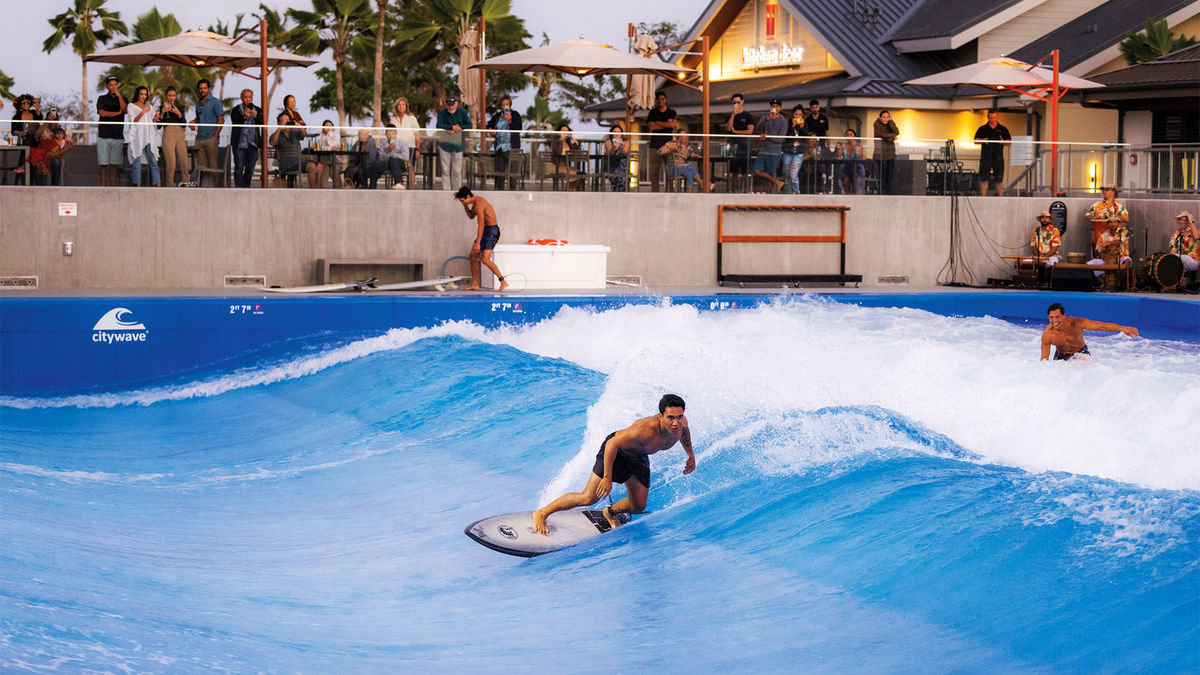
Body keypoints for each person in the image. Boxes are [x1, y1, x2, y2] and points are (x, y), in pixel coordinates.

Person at [531, 394, 696, 535]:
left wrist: (690, 456)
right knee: (589, 497)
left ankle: (610, 512)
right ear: (660, 416)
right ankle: (542, 513)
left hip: (638, 458)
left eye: (679, 417)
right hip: (616, 453)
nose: (676, 422)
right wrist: (607, 478)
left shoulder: (682, 425)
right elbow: (612, 444)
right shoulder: (644, 430)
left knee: (638, 506)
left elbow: (684, 433)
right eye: (670, 417)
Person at [1040, 302, 1138, 361]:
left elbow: (1101, 326)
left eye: (1057, 317)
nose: (1054, 321)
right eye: (1051, 317)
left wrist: (1122, 328)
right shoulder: (1048, 335)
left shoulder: (1077, 323)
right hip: (1061, 356)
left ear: (1064, 315)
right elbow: (1044, 359)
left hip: (1081, 353)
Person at [454, 187, 508, 292]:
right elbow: (471, 216)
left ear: (468, 196)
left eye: (462, 200)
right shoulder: (474, 205)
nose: (462, 202)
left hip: (491, 231)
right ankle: (475, 284)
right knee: (472, 256)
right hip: (486, 231)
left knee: (485, 259)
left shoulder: (479, 203)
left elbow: (481, 224)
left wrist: (478, 243)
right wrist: (465, 207)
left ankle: (502, 281)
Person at [270, 111, 322, 188]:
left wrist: (300, 128)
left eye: (288, 120)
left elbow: (303, 135)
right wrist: (279, 129)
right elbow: (272, 143)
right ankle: (313, 190)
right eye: (284, 120)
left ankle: (316, 189)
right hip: (286, 164)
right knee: (312, 166)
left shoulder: (294, 132)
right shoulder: (277, 135)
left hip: (298, 161)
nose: (287, 122)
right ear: (279, 123)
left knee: (320, 166)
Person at [486, 94, 523, 190]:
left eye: (507, 104)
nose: (505, 106)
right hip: (500, 148)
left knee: (513, 174)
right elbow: (488, 125)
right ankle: (499, 192)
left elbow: (518, 129)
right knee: (499, 174)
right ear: (501, 106)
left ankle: (513, 193)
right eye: (503, 104)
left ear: (510, 105)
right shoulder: (497, 116)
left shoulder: (515, 115)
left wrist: (510, 121)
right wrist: (491, 130)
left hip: (512, 148)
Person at [125, 85, 160, 187]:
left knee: (153, 160)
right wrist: (142, 112)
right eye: (141, 94)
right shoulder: (131, 106)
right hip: (137, 137)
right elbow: (133, 121)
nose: (143, 96)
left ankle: (158, 184)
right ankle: (137, 185)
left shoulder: (149, 107)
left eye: (145, 94)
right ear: (137, 94)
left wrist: (156, 117)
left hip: (148, 137)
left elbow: (152, 121)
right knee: (137, 160)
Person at [28, 108, 73, 186]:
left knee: (56, 161)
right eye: (50, 117)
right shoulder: (43, 128)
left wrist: (55, 154)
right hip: (42, 154)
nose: (53, 119)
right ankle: (39, 188)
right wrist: (47, 122)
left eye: (55, 118)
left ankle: (54, 187)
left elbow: (69, 144)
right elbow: (37, 135)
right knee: (36, 163)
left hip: (55, 155)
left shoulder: (62, 129)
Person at [190, 79, 225, 178]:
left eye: (205, 88)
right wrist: (194, 121)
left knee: (213, 166)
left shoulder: (215, 102)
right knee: (201, 167)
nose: (203, 90)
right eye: (201, 88)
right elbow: (198, 118)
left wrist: (215, 136)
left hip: (211, 138)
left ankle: (214, 190)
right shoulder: (198, 104)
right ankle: (203, 188)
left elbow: (221, 120)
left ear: (209, 89)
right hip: (199, 138)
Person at [751, 98, 787, 192]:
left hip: (774, 150)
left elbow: (781, 138)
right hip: (763, 148)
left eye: (776, 106)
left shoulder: (783, 121)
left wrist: (767, 137)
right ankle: (778, 182)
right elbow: (757, 129)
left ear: (780, 108)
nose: (774, 108)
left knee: (770, 173)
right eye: (772, 106)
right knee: (757, 170)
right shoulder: (765, 117)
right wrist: (766, 120)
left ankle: (770, 193)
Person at [95, 77, 126, 187]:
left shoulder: (122, 98)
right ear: (107, 86)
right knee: (103, 164)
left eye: (115, 84)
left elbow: (125, 110)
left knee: (114, 165)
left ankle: (113, 187)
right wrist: (118, 113)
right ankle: (103, 187)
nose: (113, 87)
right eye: (111, 85)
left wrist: (119, 96)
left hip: (117, 136)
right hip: (104, 135)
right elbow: (102, 113)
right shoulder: (102, 98)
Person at [436, 95, 471, 190]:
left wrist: (458, 128)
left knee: (457, 171)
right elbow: (438, 125)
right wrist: (451, 127)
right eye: (448, 105)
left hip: (458, 146)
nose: (450, 107)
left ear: (457, 103)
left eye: (452, 104)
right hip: (445, 146)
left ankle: (457, 191)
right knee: (445, 170)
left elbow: (469, 125)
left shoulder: (463, 112)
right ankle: (446, 191)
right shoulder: (442, 113)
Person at [1086, 214, 1131, 288]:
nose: (1112, 224)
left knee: (1127, 261)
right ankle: (1104, 283)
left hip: (1121, 256)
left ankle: (1118, 282)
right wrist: (1102, 250)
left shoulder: (1124, 232)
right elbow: (1098, 248)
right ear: (1107, 224)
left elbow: (1120, 241)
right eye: (1110, 222)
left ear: (1118, 223)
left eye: (1115, 222)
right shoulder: (1103, 235)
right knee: (1090, 264)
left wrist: (1108, 243)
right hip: (1107, 258)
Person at [645, 90, 678, 192]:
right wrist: (665, 123)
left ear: (666, 100)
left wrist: (658, 122)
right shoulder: (652, 112)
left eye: (662, 99)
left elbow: (672, 125)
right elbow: (651, 126)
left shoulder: (671, 112)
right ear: (656, 101)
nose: (660, 101)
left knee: (669, 170)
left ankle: (670, 192)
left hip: (668, 145)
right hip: (655, 145)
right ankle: (655, 193)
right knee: (654, 171)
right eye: (658, 99)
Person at [973, 109, 1011, 196]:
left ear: (997, 117)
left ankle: (1000, 197)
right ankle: (983, 197)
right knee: (983, 178)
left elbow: (1009, 142)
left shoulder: (1003, 129)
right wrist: (984, 140)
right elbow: (975, 141)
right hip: (986, 156)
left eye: (994, 118)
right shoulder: (982, 129)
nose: (992, 120)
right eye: (990, 118)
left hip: (998, 157)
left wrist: (1002, 141)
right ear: (988, 117)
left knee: (999, 178)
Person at [156, 86, 189, 187]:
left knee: (184, 160)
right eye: (169, 95)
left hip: (179, 133)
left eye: (173, 96)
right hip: (168, 133)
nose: (171, 98)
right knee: (171, 161)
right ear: (166, 96)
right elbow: (158, 126)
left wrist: (179, 114)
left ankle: (185, 183)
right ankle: (169, 185)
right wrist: (162, 113)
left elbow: (184, 124)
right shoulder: (161, 107)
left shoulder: (180, 107)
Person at [229, 89, 261, 189]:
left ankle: (246, 188)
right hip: (239, 143)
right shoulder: (236, 109)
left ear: (252, 98)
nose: (248, 99)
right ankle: (239, 189)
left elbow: (263, 122)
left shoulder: (257, 109)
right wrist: (244, 117)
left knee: (250, 168)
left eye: (249, 97)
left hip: (253, 143)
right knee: (238, 167)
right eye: (245, 97)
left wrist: (256, 117)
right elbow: (235, 120)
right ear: (241, 98)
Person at [725, 93, 755, 192]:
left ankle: (745, 190)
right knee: (733, 171)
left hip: (744, 146)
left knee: (745, 172)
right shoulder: (729, 116)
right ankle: (733, 190)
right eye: (734, 102)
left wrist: (736, 132)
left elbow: (750, 131)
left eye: (738, 102)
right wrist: (733, 115)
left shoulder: (748, 116)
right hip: (731, 146)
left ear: (742, 102)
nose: (736, 104)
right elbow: (728, 128)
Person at [1085, 185, 1128, 249]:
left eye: (1107, 189)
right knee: (1099, 257)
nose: (1104, 191)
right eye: (1103, 189)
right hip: (1099, 238)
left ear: (1113, 192)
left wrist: (1113, 214)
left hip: (1114, 240)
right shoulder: (1097, 205)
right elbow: (1087, 216)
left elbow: (1126, 219)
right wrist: (1094, 217)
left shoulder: (1119, 206)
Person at [781, 105, 809, 194]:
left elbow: (805, 136)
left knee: (793, 174)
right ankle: (789, 193)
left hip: (799, 152)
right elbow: (787, 137)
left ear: (802, 116)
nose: (797, 116)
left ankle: (797, 191)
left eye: (800, 115)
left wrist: (801, 127)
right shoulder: (788, 122)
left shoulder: (804, 123)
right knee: (787, 174)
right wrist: (792, 126)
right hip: (788, 151)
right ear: (793, 114)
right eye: (796, 114)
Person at [550, 123, 585, 190]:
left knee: (583, 174)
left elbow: (576, 148)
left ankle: (571, 190)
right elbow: (559, 152)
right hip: (557, 166)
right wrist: (561, 140)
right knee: (578, 174)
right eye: (562, 131)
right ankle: (567, 189)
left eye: (566, 131)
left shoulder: (567, 142)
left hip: (566, 166)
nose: (564, 133)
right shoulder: (556, 141)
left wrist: (573, 138)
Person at [805, 99, 831, 190]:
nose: (815, 109)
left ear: (818, 107)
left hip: (822, 145)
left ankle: (826, 180)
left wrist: (828, 145)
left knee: (824, 163)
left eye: (816, 107)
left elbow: (827, 132)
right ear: (811, 109)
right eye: (813, 108)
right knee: (814, 163)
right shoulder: (808, 120)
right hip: (812, 145)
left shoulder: (824, 118)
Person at [873, 110, 899, 194]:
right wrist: (892, 136)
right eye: (883, 117)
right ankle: (881, 193)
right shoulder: (876, 124)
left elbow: (897, 131)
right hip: (880, 154)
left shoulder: (890, 123)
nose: (885, 119)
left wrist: (891, 122)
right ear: (880, 118)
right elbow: (881, 135)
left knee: (890, 176)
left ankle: (889, 193)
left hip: (890, 154)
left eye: (887, 117)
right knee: (881, 176)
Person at [837, 128, 865, 195]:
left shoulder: (859, 145)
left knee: (857, 178)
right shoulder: (843, 145)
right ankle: (847, 194)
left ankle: (857, 194)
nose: (849, 136)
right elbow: (838, 156)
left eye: (851, 135)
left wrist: (854, 147)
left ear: (854, 137)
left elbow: (860, 156)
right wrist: (839, 149)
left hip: (856, 167)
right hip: (846, 167)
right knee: (845, 179)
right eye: (847, 135)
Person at [316, 119, 343, 187]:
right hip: (324, 161)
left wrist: (329, 134)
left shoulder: (336, 135)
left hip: (336, 160)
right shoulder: (319, 136)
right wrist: (330, 148)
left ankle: (339, 189)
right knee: (323, 181)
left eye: (330, 126)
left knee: (335, 174)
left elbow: (336, 146)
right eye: (326, 126)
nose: (329, 128)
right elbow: (320, 147)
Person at [603, 123, 628, 192]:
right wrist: (613, 146)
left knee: (621, 174)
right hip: (611, 164)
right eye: (615, 132)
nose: (617, 134)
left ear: (621, 133)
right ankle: (615, 191)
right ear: (611, 133)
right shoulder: (608, 142)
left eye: (618, 132)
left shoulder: (626, 142)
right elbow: (610, 154)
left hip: (622, 165)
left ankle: (620, 191)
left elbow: (625, 153)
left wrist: (622, 146)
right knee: (615, 173)